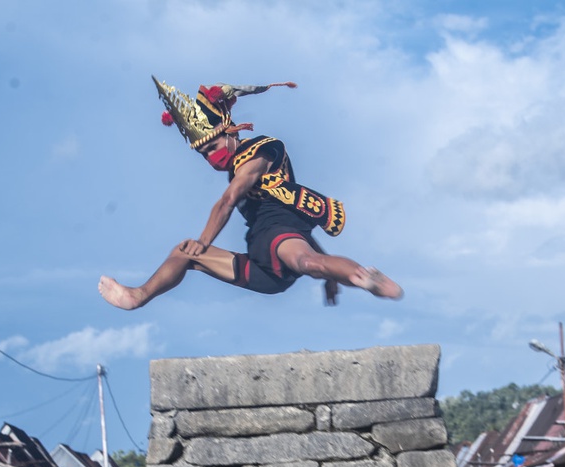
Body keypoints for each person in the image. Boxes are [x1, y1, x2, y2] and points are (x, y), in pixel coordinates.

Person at [98, 78, 403, 310]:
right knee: (183, 252)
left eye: (213, 147)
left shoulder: (261, 150)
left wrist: (205, 241)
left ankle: (367, 278)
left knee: (309, 264)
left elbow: (230, 200)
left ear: (230, 132)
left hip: (280, 234)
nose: (211, 157)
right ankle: (136, 297)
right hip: (262, 263)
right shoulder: (235, 169)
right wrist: (331, 274)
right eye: (203, 154)